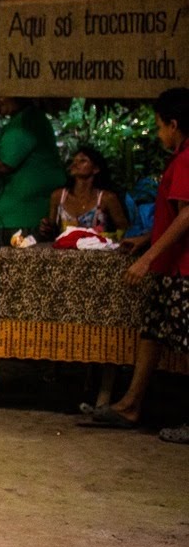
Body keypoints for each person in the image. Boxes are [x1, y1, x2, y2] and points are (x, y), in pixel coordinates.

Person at [88, 88, 189, 442]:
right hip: (169, 265)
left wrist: (147, 257)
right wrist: (146, 240)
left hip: (182, 268)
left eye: (160, 126)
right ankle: (130, 404)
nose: (159, 133)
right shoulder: (180, 158)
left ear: (174, 125)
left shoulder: (187, 159)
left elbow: (187, 216)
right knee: (151, 333)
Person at [0, 92, 65, 244]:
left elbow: (3, 166)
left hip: (25, 219)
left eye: (0, 95)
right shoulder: (20, 121)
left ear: (17, 93)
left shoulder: (28, 121)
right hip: (13, 218)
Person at [39, 145, 129, 238]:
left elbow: (126, 231)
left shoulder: (106, 198)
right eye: (74, 161)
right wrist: (46, 228)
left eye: (82, 161)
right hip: (64, 250)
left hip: (98, 251)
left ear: (96, 169)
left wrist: (107, 237)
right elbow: (51, 231)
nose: (75, 164)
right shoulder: (59, 196)